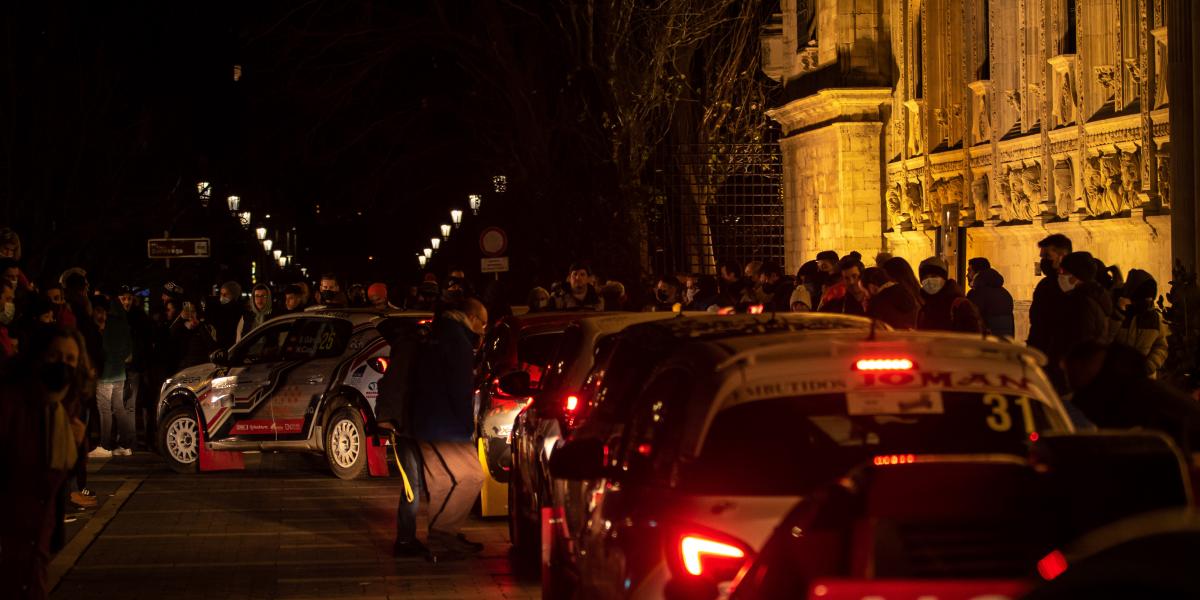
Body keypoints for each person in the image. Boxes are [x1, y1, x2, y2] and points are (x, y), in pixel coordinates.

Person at [0, 325, 92, 600]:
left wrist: (80, 442)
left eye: (70, 361)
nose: (61, 367)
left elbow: (66, 471)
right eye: (54, 357)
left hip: (36, 543)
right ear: (36, 358)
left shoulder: (66, 409)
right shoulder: (10, 404)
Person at [410, 298, 488, 560]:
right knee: (472, 476)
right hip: (447, 424)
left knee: (441, 480)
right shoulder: (459, 343)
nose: (484, 330)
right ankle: (444, 532)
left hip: (423, 419)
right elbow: (459, 388)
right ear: (473, 319)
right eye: (483, 324)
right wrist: (467, 426)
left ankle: (441, 540)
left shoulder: (436, 334)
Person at [1065, 342, 1200, 453]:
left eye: (1073, 369)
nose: (1069, 378)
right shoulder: (1124, 389)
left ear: (1084, 364)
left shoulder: (1127, 398)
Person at [1047, 252, 1114, 382]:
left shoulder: (1081, 302)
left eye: (1064, 272)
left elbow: (1082, 339)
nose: (1060, 276)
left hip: (1073, 374)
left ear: (1076, 276)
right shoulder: (1088, 297)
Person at [1111, 269, 1169, 377]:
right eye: (1144, 297)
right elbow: (1107, 337)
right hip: (1117, 378)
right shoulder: (1118, 313)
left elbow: (1161, 346)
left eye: (1151, 298)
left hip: (1144, 379)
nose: (1148, 301)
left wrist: (1150, 365)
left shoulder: (1154, 318)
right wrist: (1119, 313)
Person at [96, 295, 134, 456]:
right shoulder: (124, 324)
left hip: (106, 373)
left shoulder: (107, 325)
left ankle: (105, 445)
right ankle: (125, 445)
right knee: (119, 407)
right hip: (120, 372)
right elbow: (129, 353)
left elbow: (102, 348)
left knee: (105, 408)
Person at [1028, 234, 1072, 356]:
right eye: (1042, 256)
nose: (1043, 261)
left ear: (1062, 256)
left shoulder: (1070, 284)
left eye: (1047, 256)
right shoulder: (1046, 284)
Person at [916, 256, 982, 333]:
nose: (929, 280)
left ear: (944, 278)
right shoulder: (921, 305)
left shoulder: (959, 305)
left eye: (934, 276)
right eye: (925, 277)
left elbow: (973, 337)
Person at [965, 258, 1015, 337]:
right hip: (1004, 344)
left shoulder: (976, 293)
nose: (967, 275)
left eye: (969, 271)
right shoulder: (1005, 293)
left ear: (977, 273)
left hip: (986, 344)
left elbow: (970, 322)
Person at [211, 281, 246, 349]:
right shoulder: (220, 308)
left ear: (233, 295)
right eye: (221, 294)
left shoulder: (238, 310)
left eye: (225, 294)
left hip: (231, 346)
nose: (222, 297)